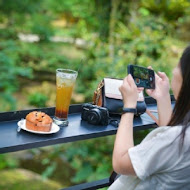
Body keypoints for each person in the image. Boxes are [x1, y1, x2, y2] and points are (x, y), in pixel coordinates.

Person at [108, 46, 190, 190]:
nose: (173, 71)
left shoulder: (179, 141)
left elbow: (120, 163)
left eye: (178, 65)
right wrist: (163, 97)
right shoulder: (180, 137)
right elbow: (169, 142)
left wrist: (129, 106)